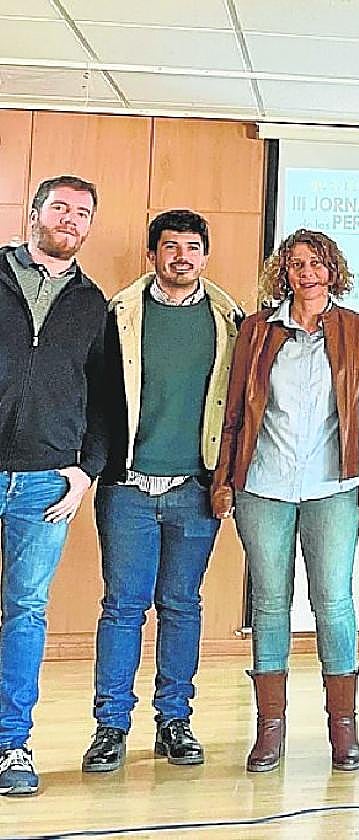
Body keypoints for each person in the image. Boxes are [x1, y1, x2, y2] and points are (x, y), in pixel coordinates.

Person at [211, 229, 359, 773]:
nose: (305, 272)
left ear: (333, 267)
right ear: (283, 272)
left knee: (333, 602)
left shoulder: (356, 329)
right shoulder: (258, 330)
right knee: (268, 602)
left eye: (315, 263)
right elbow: (235, 408)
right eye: (295, 264)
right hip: (263, 484)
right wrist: (223, 479)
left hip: (333, 485)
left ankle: (343, 730)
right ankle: (270, 730)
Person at [83, 210, 242, 774]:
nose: (181, 256)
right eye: (169, 246)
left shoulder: (230, 320)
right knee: (123, 608)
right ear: (152, 254)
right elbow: (97, 398)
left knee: (180, 606)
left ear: (205, 255)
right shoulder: (119, 314)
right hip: (127, 489)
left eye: (192, 247)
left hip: (194, 491)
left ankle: (175, 719)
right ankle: (110, 725)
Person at [0, 175, 107, 797]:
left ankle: (11, 744)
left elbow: (104, 398)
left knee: (25, 613)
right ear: (33, 212)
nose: (70, 218)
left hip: (45, 484)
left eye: (82, 212)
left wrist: (85, 468)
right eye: (60, 207)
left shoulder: (91, 302)